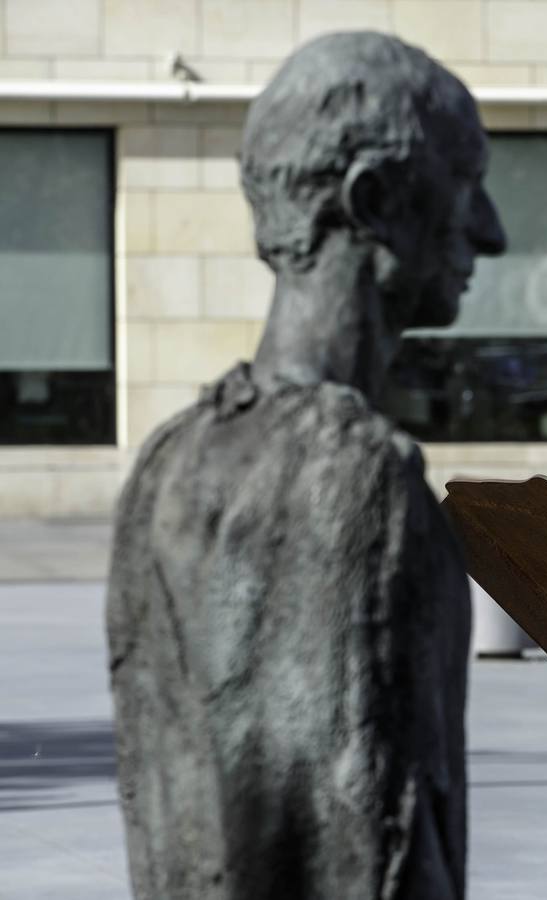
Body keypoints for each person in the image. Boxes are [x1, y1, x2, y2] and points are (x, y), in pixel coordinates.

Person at [106, 32, 504, 899]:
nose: (491, 232)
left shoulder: (166, 463)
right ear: (375, 202)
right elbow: (384, 835)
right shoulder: (363, 477)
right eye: (467, 185)